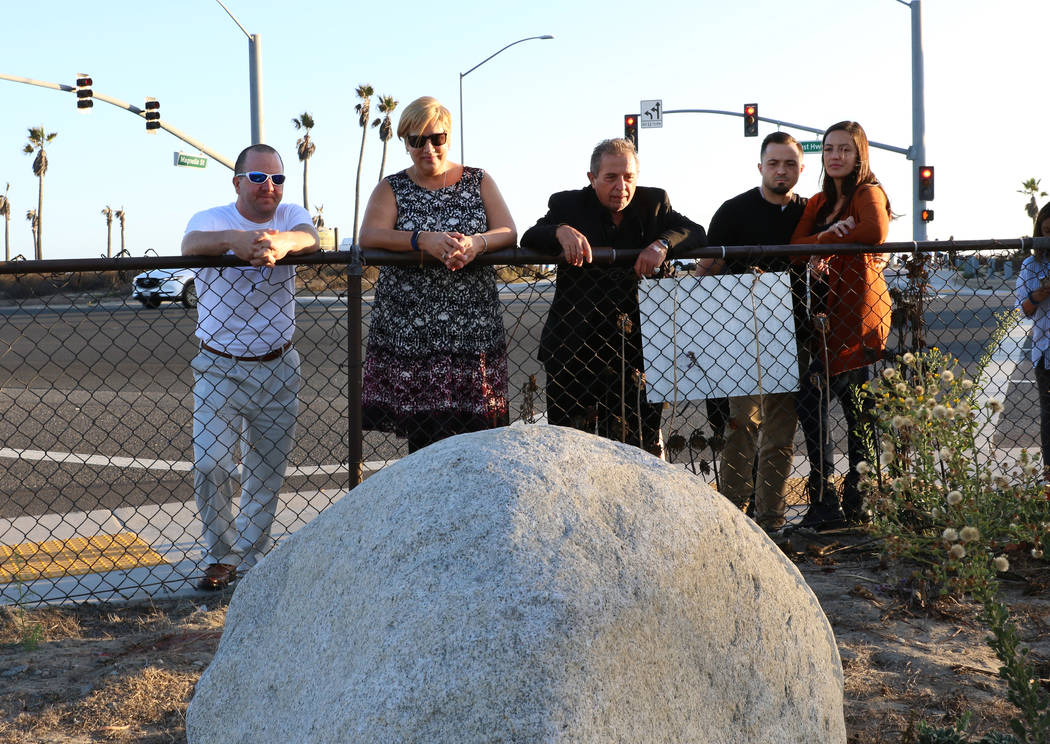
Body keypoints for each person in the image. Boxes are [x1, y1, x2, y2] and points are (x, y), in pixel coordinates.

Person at [182, 143, 320, 590]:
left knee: (266, 472)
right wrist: (236, 242)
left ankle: (250, 556)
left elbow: (309, 236)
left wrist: (279, 244)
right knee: (212, 465)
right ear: (238, 181)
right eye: (258, 178)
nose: (269, 187)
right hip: (220, 366)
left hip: (279, 366)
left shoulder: (289, 214)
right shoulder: (213, 219)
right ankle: (220, 555)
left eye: (277, 178)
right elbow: (189, 246)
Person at [520, 138, 705, 454]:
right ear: (592, 179)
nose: (621, 186)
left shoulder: (654, 203)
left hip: (634, 351)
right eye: (611, 178)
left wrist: (661, 245)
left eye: (629, 177)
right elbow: (529, 237)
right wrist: (559, 230)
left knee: (635, 448)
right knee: (570, 450)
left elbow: (695, 230)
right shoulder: (568, 205)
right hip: (573, 348)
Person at [359, 96, 516, 452]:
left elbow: (507, 230)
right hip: (414, 330)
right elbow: (369, 235)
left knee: (479, 438)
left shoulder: (478, 180)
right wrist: (422, 240)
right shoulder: (392, 187)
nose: (427, 148)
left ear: (448, 136)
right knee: (425, 441)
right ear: (405, 143)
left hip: (471, 327)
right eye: (416, 140)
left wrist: (477, 244)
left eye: (436, 138)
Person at [790, 120, 892, 529]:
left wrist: (825, 242)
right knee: (833, 408)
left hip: (856, 315)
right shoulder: (817, 203)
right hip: (823, 319)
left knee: (842, 409)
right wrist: (831, 234)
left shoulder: (867, 193)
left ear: (859, 155)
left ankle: (851, 498)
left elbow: (875, 230)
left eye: (844, 150)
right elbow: (794, 249)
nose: (835, 156)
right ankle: (832, 500)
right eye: (829, 149)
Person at [706, 132, 807, 533]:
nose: (781, 170)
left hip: (792, 332)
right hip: (741, 335)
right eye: (774, 163)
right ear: (760, 166)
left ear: (800, 168)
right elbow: (709, 269)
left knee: (781, 434)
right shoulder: (733, 212)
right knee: (741, 426)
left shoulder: (808, 213)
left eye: (790, 164)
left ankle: (771, 519)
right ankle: (733, 515)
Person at [1016, 201, 1050, 472]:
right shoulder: (1032, 264)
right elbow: (1024, 310)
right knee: (1049, 416)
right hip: (1046, 350)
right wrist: (1036, 297)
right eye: (1047, 231)